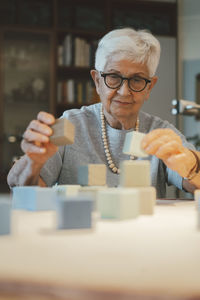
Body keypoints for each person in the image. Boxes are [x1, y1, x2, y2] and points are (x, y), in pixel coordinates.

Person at [7, 27, 200, 198]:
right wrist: (33, 162)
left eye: (137, 80)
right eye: (113, 77)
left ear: (150, 87)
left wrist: (191, 165)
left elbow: (195, 183)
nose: (124, 92)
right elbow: (23, 191)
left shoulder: (160, 133)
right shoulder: (71, 124)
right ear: (97, 81)